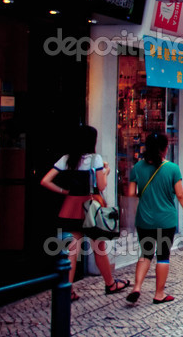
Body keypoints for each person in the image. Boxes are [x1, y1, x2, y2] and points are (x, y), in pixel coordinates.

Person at [40, 125, 130, 300]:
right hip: (91, 207)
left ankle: (68, 290)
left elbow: (45, 180)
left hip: (71, 206)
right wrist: (107, 171)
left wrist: (63, 191)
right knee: (99, 248)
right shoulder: (95, 159)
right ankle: (110, 284)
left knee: (72, 250)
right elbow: (101, 185)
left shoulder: (66, 159)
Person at [125, 132, 183, 304]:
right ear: (165, 149)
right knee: (163, 255)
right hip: (166, 220)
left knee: (146, 253)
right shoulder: (172, 168)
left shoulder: (137, 168)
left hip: (144, 219)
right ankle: (159, 294)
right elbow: (180, 195)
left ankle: (137, 287)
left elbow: (131, 193)